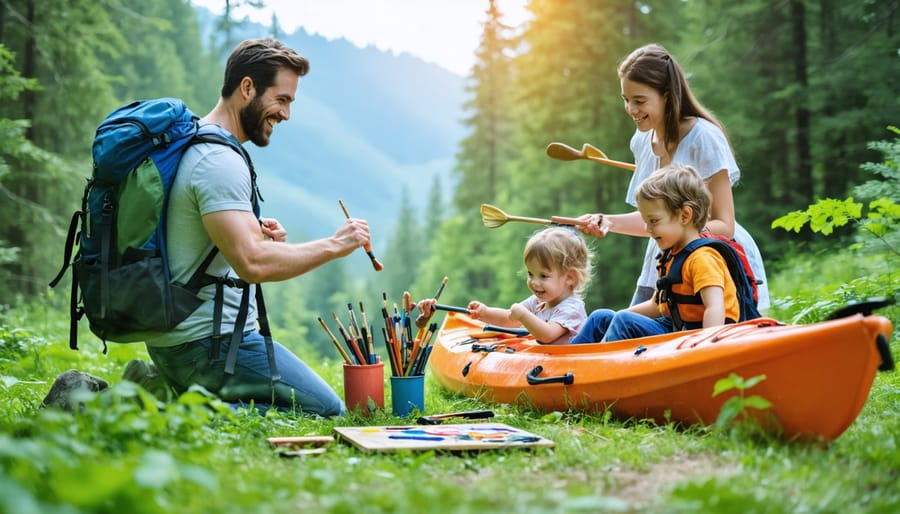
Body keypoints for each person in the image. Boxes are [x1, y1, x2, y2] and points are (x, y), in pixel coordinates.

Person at [133, 38, 372, 417]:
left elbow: (193, 229)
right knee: (326, 410)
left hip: (180, 340)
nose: (286, 114)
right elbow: (253, 264)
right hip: (206, 346)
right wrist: (334, 245)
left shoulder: (195, 141)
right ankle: (167, 408)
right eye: (283, 99)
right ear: (247, 88)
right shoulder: (218, 161)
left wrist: (248, 229)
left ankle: (160, 388)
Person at [577, 43, 769, 310]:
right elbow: (657, 219)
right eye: (626, 99)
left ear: (666, 94)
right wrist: (607, 221)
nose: (631, 109)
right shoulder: (643, 140)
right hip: (665, 259)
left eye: (640, 100)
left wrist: (677, 233)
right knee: (624, 332)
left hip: (712, 263)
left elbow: (725, 223)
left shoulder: (704, 138)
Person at [571, 164, 738, 343]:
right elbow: (657, 305)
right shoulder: (670, 256)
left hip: (697, 337)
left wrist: (706, 347)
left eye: (654, 221)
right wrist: (615, 318)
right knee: (601, 317)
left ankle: (601, 369)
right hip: (675, 327)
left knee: (623, 321)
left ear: (685, 215)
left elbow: (715, 307)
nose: (647, 229)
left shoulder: (702, 258)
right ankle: (567, 361)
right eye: (645, 221)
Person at [419, 226, 592, 344]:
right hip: (548, 362)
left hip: (571, 367)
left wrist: (524, 315)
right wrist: (484, 313)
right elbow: (509, 318)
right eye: (530, 274)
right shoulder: (538, 302)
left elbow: (547, 335)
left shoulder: (571, 308)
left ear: (569, 277)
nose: (534, 282)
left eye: (544, 276)